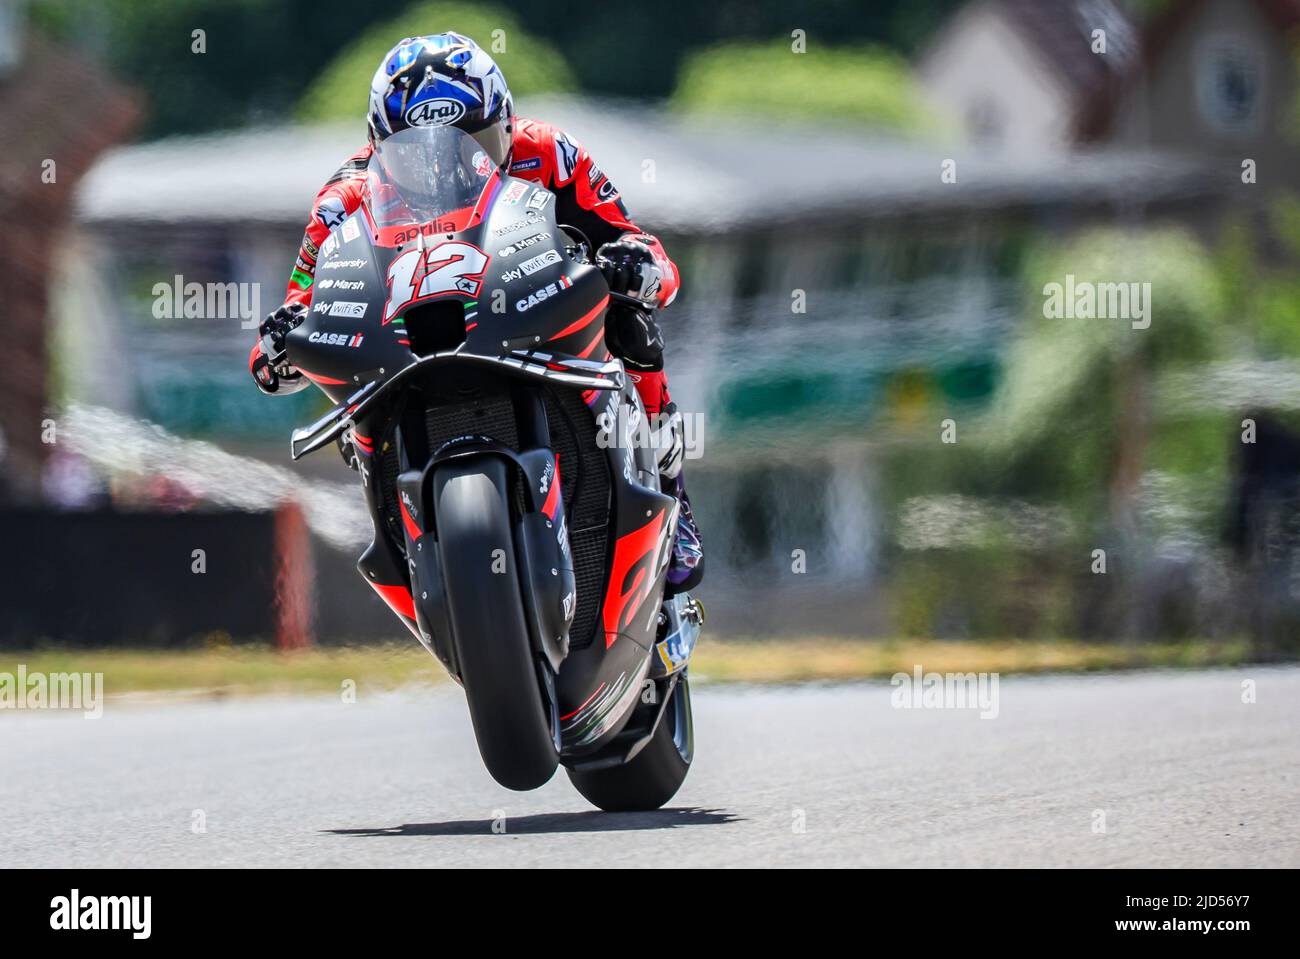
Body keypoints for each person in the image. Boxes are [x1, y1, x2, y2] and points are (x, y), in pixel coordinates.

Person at [249, 32, 702, 591]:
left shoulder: (551, 153)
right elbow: (291, 320)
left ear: (508, 126)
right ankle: (405, 528)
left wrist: (638, 269)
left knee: (629, 317)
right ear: (379, 147)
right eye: (417, 156)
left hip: (527, 318)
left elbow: (647, 252)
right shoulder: (344, 199)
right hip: (409, 353)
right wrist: (280, 343)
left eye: (476, 144)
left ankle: (672, 490)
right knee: (351, 411)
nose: (448, 171)